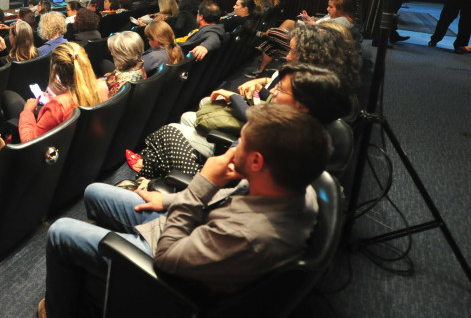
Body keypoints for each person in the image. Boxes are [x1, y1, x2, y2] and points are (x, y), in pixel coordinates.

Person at [39, 104, 330, 318]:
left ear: (256, 161)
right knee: (95, 192)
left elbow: (167, 256)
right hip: (190, 227)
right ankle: (99, 285)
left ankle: (59, 309)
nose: (233, 146)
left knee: (61, 232)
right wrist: (167, 201)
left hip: (167, 259)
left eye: (241, 141)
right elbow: (221, 201)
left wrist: (204, 181)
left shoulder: (249, 236)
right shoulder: (288, 184)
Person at [131, 63, 350, 178]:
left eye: (281, 89)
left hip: (211, 190)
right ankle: (149, 169)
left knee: (168, 130)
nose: (273, 91)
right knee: (179, 126)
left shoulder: (279, 143)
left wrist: (200, 186)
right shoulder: (300, 130)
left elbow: (231, 186)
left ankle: (149, 168)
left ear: (302, 106)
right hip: (224, 179)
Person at [16, 42, 108, 143]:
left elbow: (29, 141)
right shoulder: (101, 87)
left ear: (57, 73)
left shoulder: (58, 106)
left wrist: (28, 111)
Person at [104, 31, 146, 96]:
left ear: (124, 54)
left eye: (114, 51)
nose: (111, 54)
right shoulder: (138, 64)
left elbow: (109, 101)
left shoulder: (123, 83)